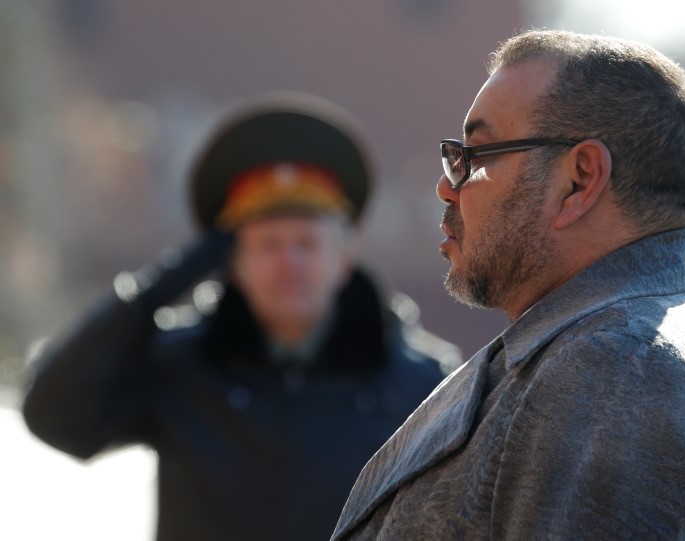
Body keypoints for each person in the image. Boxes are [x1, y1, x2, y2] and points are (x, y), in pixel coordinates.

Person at [332, 30, 685, 540]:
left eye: (476, 154)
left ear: (580, 179)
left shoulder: (619, 364)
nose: (448, 185)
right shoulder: (632, 338)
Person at [22, 92, 459, 541]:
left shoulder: (420, 385)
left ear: (344, 255)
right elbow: (56, 419)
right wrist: (156, 290)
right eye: (267, 245)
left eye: (306, 244)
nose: (288, 263)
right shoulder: (182, 366)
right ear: (231, 259)